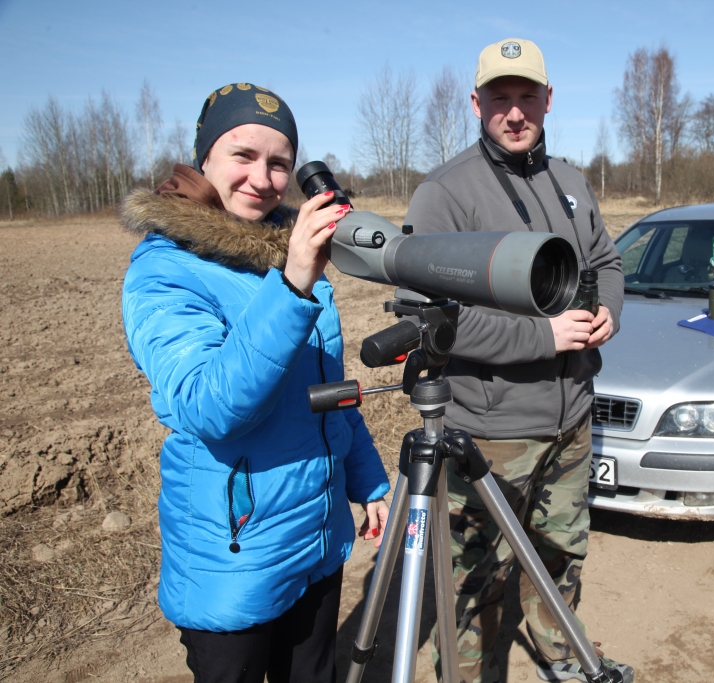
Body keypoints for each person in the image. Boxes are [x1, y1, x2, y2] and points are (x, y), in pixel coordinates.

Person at [120, 83, 391, 683]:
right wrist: (292, 285)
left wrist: (368, 481)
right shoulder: (166, 269)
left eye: (278, 164)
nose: (262, 179)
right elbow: (208, 406)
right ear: (204, 160)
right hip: (234, 558)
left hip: (315, 544)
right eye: (242, 156)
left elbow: (329, 392)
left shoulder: (291, 252)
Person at [404, 40, 631, 683]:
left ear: (548, 100)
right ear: (475, 103)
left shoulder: (571, 182)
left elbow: (606, 264)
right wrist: (545, 338)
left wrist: (610, 308)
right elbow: (430, 319)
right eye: (499, 97)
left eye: (526, 95)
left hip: (572, 420)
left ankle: (560, 656)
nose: (513, 112)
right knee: (476, 576)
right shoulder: (444, 194)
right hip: (493, 434)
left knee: (561, 551)